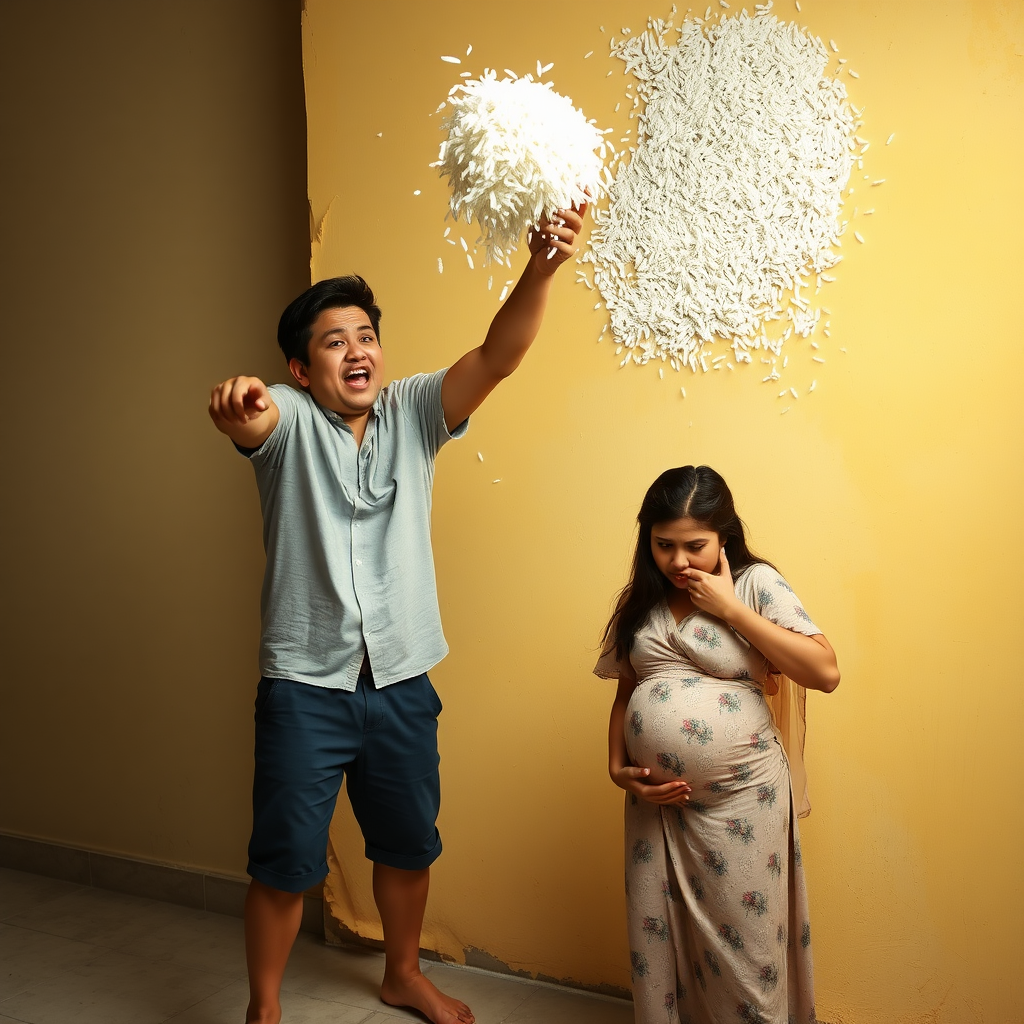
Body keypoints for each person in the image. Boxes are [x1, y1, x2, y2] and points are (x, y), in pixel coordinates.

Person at [208, 205, 585, 1024]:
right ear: (302, 370)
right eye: (334, 341)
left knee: (409, 843)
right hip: (306, 685)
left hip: (402, 676)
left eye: (366, 335)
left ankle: (402, 973)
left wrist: (543, 269)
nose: (357, 350)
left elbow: (499, 354)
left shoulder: (417, 411)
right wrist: (241, 405)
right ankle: (263, 1010)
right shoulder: (289, 418)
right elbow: (253, 414)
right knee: (283, 862)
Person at [595, 466, 839, 1024]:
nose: (679, 561)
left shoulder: (755, 585)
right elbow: (626, 691)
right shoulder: (642, 601)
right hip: (654, 809)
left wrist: (729, 608)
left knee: (748, 954)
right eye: (664, 546)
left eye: (695, 546)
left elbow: (824, 671)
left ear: (724, 536)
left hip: (742, 801)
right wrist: (616, 767)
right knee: (660, 950)